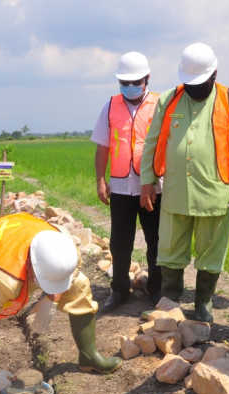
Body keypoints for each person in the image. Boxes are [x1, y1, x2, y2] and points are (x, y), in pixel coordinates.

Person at [0, 213, 121, 394]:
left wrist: (51, 299)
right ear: (31, 267)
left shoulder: (64, 247)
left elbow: (69, 274)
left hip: (22, 234)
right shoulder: (3, 277)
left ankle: (89, 357)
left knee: (80, 285)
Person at [140, 43, 229, 323]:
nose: (194, 87)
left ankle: (203, 302)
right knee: (169, 251)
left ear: (214, 74)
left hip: (213, 193)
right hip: (176, 192)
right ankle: (170, 302)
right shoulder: (170, 100)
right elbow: (153, 141)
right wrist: (147, 181)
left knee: (211, 253)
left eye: (200, 82)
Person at [91, 52, 162, 311]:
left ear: (147, 79)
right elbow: (102, 148)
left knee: (156, 240)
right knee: (120, 242)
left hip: (153, 186)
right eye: (125, 81)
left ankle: (157, 289)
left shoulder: (159, 105)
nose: (130, 86)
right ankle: (119, 290)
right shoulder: (111, 106)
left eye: (136, 81)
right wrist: (100, 180)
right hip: (120, 187)